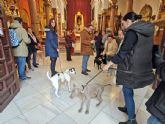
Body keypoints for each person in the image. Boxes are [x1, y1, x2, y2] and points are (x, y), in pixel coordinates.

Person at [103, 12, 155, 124]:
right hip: (140, 66)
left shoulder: (132, 32)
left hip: (130, 67)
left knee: (127, 91)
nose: (123, 26)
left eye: (123, 24)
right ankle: (128, 108)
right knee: (128, 89)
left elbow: (123, 52)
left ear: (128, 21)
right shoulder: (145, 30)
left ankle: (132, 120)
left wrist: (108, 64)